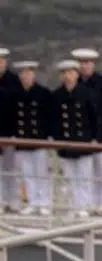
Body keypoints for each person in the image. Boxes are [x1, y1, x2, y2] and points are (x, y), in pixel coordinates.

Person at [52, 59, 102, 218]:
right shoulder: (57, 95)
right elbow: (53, 119)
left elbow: (95, 117)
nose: (68, 76)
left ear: (76, 74)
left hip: (83, 140)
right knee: (70, 177)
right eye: (65, 73)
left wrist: (95, 137)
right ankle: (74, 205)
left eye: (71, 73)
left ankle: (84, 205)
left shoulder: (86, 93)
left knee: (84, 176)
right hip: (65, 142)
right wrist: (56, 139)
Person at [72, 49, 102, 212]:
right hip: (83, 135)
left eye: (87, 63)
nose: (84, 66)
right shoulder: (74, 82)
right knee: (86, 172)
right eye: (82, 63)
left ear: (93, 64)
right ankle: (89, 203)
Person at [9, 61, 53, 215]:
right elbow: (12, 117)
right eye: (23, 73)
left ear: (34, 74)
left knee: (42, 173)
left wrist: (48, 136)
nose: (26, 76)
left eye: (29, 73)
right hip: (22, 139)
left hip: (38, 138)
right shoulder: (15, 94)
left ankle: (45, 202)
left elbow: (49, 117)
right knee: (27, 174)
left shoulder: (43, 93)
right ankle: (33, 202)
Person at [0, 48, 22, 212]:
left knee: (12, 170)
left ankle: (13, 200)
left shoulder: (14, 80)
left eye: (2, 60)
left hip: (9, 132)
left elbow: (17, 108)